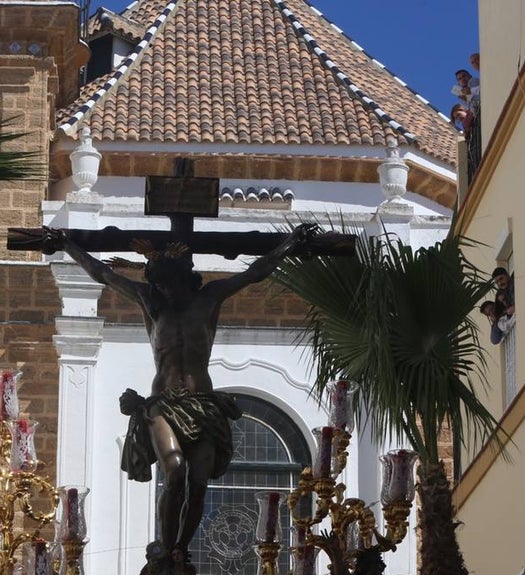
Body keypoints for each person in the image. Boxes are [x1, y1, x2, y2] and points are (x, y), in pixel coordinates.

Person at [44, 223, 319, 554]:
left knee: (198, 484)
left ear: (184, 277)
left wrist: (289, 244)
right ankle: (166, 543)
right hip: (163, 403)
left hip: (203, 403)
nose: (165, 288)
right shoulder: (150, 301)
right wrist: (68, 245)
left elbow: (254, 273)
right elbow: (103, 275)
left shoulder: (210, 298)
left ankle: (179, 551)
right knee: (174, 472)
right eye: (159, 282)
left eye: (169, 281)